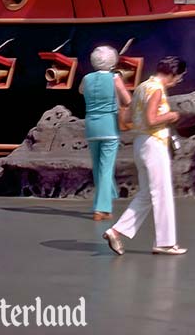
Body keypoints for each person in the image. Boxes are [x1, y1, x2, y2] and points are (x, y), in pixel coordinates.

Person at [103, 56, 187, 256]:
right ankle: (165, 243)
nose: (179, 80)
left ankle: (116, 231)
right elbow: (151, 119)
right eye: (180, 76)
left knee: (148, 193)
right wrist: (171, 116)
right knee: (162, 193)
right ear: (173, 74)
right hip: (154, 143)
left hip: (140, 143)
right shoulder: (157, 89)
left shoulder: (142, 87)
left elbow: (130, 117)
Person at [80, 46, 132, 221]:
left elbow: (81, 91)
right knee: (106, 167)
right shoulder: (114, 78)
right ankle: (101, 208)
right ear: (112, 61)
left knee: (98, 166)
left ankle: (108, 198)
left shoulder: (87, 78)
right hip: (109, 126)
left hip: (91, 126)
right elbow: (127, 100)